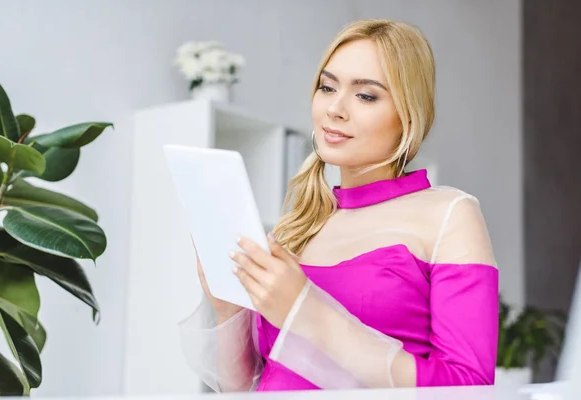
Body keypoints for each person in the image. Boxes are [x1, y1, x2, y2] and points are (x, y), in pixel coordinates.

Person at [179, 18, 499, 392]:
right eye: (327, 87)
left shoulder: (449, 214)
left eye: (365, 95)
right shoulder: (297, 227)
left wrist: (305, 309)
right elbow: (248, 386)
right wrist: (228, 308)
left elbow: (469, 388)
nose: (335, 108)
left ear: (408, 114)